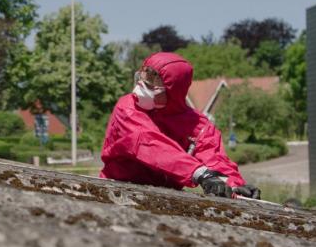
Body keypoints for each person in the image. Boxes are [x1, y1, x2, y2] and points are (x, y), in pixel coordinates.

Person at [99, 52, 260, 199]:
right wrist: (199, 173)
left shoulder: (198, 125)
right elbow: (148, 142)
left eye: (153, 82)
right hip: (117, 189)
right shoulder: (127, 107)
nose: (142, 86)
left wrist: (234, 185)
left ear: (173, 90)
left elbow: (214, 159)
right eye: (144, 76)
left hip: (164, 198)